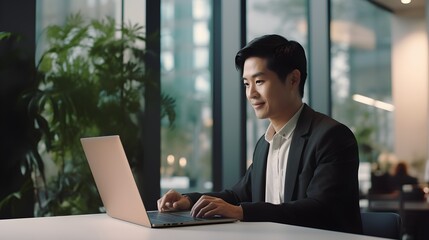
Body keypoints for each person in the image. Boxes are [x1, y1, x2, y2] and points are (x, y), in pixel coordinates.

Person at [157, 34, 362, 234]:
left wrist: (241, 212)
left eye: (260, 82)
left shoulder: (332, 137)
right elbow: (237, 195)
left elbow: (320, 210)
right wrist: (188, 201)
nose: (251, 94)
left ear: (293, 79)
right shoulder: (265, 144)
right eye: (247, 84)